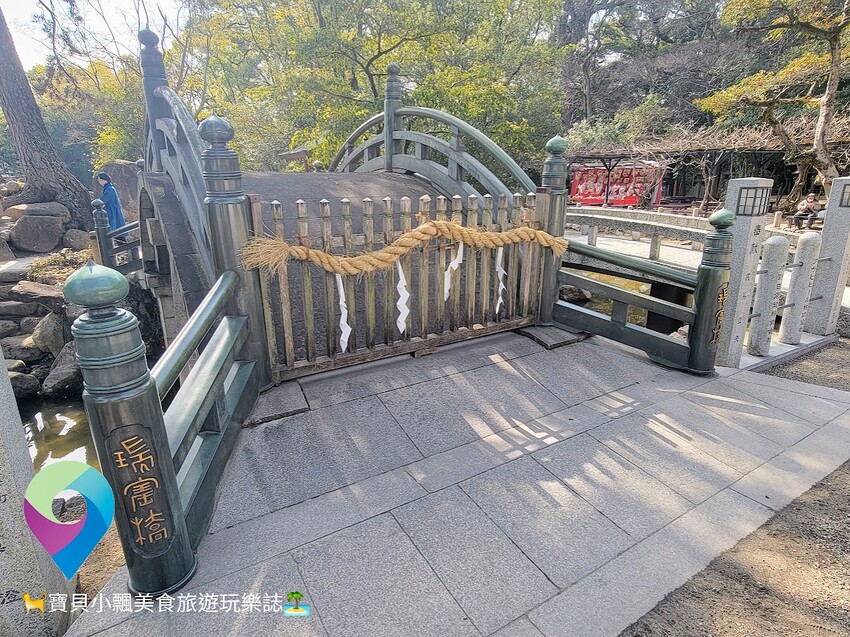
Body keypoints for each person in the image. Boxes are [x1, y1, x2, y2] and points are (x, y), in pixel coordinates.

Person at [96, 172, 128, 240]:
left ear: (104, 180)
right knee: (117, 234)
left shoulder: (110, 189)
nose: (99, 182)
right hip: (111, 212)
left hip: (113, 213)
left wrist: (97, 201)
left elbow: (103, 200)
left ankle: (129, 250)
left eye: (99, 179)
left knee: (118, 233)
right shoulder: (108, 188)